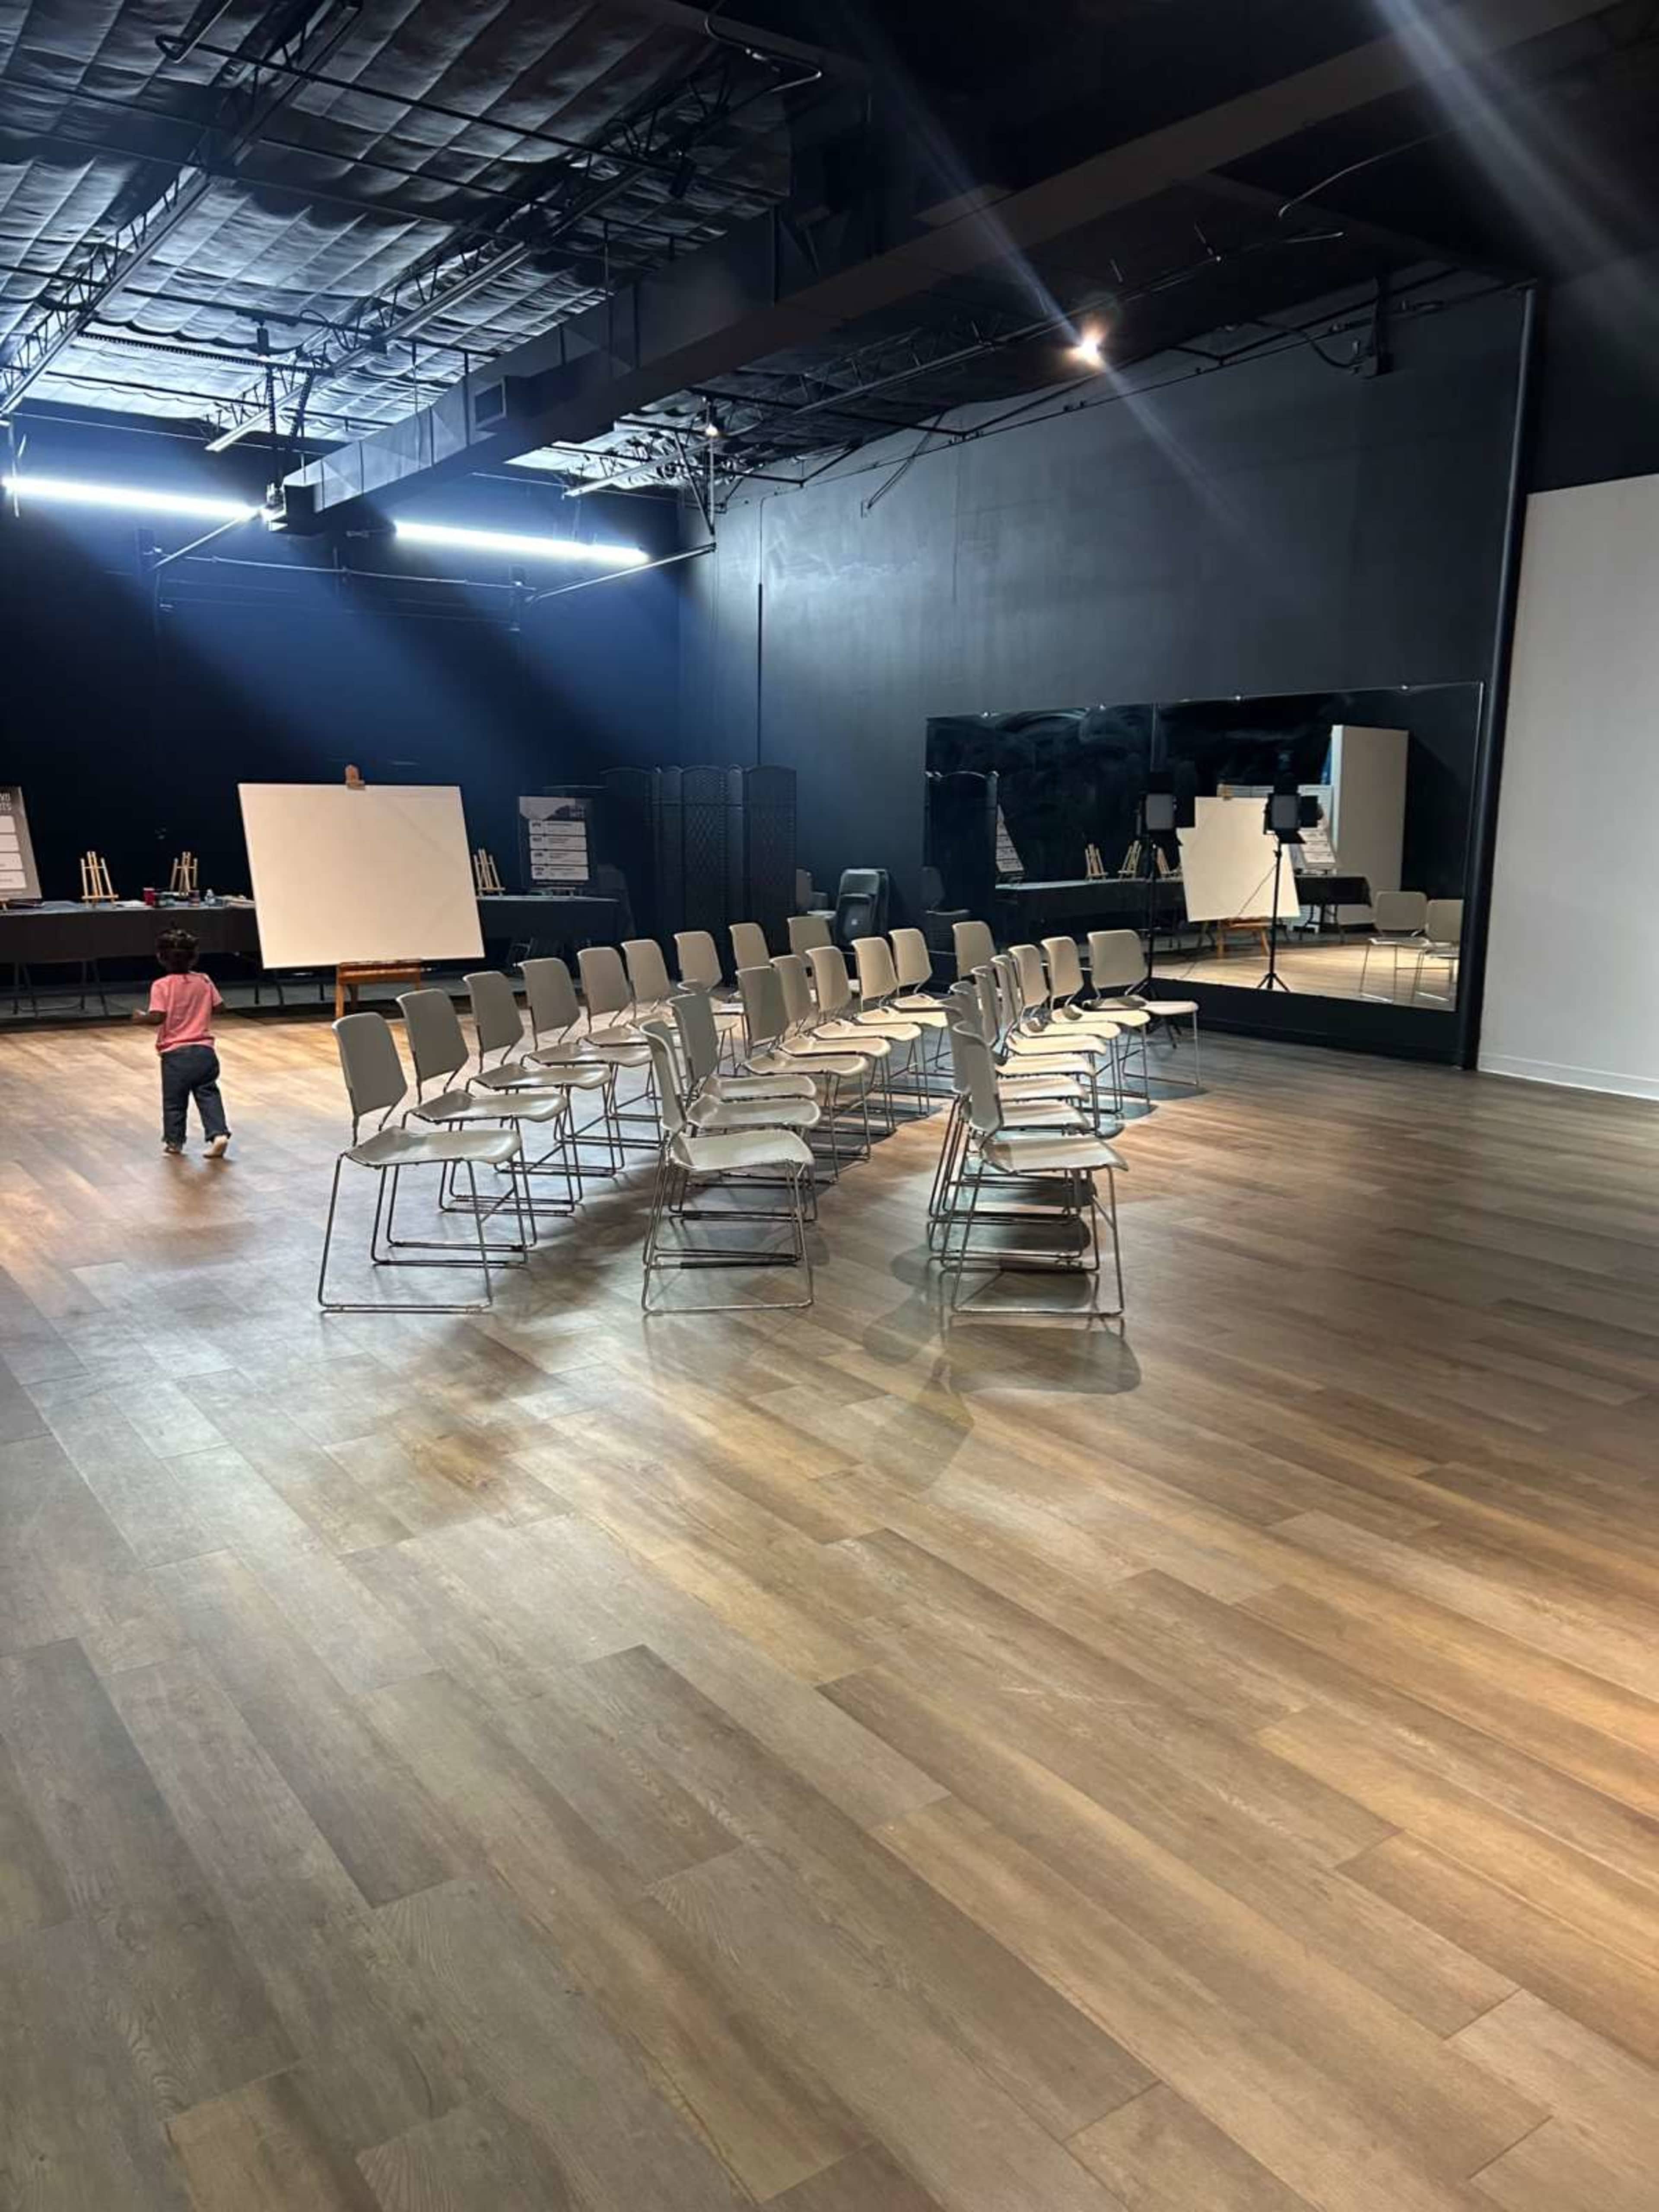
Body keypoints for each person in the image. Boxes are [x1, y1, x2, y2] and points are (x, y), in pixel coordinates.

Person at [133, 928, 232, 1158]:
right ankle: (219, 1135)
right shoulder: (204, 980)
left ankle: (175, 1142)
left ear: (161, 957)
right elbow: (221, 1007)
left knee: (175, 1102)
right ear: (194, 957)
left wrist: (140, 1017)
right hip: (205, 1052)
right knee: (208, 1094)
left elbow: (158, 1017)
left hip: (176, 1055)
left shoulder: (162, 986)